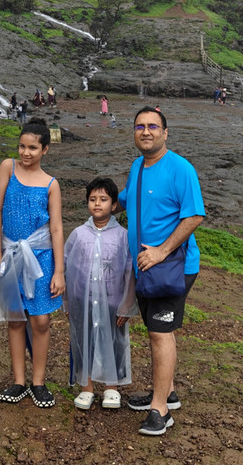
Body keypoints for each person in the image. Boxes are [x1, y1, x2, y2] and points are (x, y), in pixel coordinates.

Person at [119, 107, 205, 437]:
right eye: (140, 126)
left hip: (172, 267)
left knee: (159, 332)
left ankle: (160, 410)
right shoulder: (138, 167)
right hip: (146, 268)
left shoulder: (180, 168)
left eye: (153, 126)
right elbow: (127, 199)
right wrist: (101, 203)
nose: (146, 131)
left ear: (165, 133)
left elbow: (194, 216)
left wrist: (161, 251)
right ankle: (165, 391)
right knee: (158, 331)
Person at [0, 118, 65, 408]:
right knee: (15, 318)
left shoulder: (51, 184)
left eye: (33, 148)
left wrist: (59, 270)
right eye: (22, 146)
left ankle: (39, 382)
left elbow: (56, 228)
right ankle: (19, 381)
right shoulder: (8, 167)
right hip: (10, 255)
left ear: (45, 149)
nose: (26, 153)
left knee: (41, 320)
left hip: (42, 258)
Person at [64, 177, 137, 411]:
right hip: (82, 300)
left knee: (114, 341)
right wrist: (68, 303)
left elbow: (129, 271)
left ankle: (111, 387)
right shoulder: (78, 234)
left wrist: (127, 305)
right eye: (93, 199)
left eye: (103, 199)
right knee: (82, 340)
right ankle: (86, 388)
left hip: (112, 301)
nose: (98, 204)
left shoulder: (124, 236)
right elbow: (68, 267)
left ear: (114, 205)